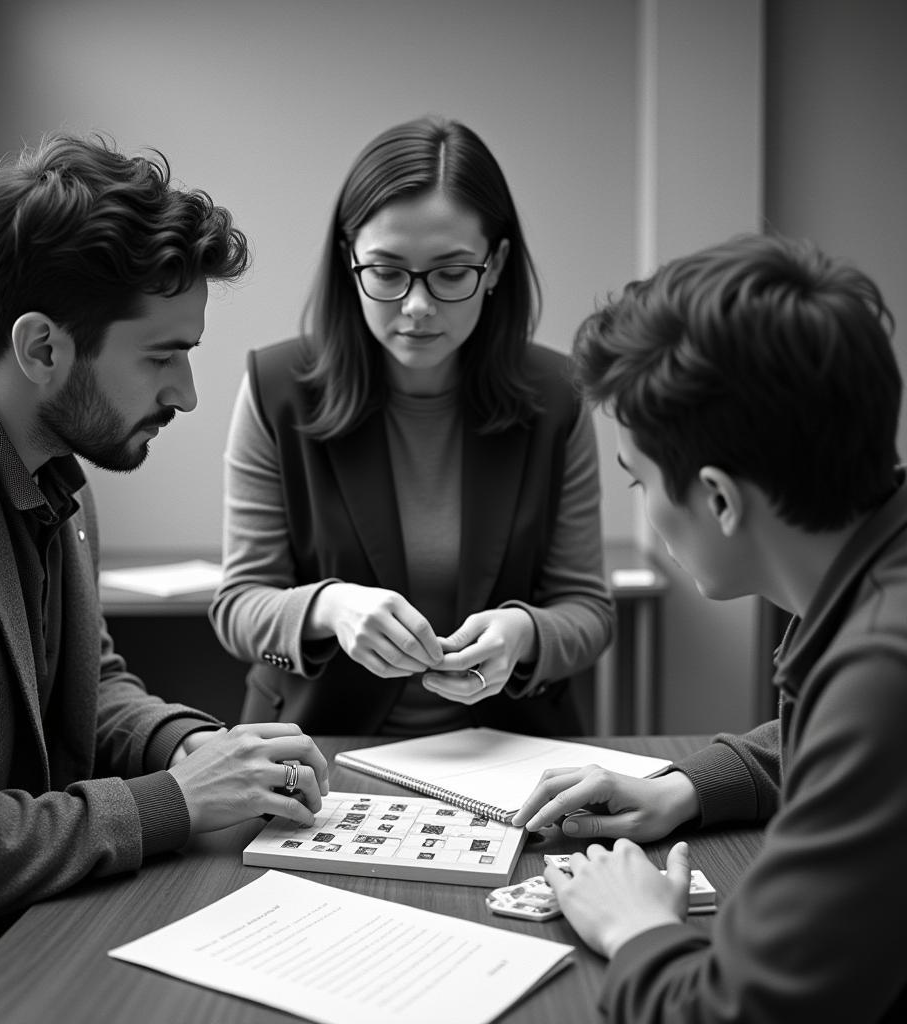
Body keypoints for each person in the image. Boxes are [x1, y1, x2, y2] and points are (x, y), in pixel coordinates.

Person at [0, 133, 328, 1022]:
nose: (190, 393)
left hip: (25, 927)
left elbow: (92, 681)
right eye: (162, 356)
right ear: (42, 347)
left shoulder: (50, 458)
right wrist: (169, 802)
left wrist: (188, 747)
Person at [511, 233, 907, 1022]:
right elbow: (830, 745)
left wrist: (635, 927)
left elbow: (736, 1012)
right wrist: (685, 788)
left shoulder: (883, 674)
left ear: (720, 500)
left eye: (640, 480)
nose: (645, 511)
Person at [209, 115, 614, 737]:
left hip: (510, 754)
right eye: (388, 272)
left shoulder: (556, 396)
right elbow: (238, 605)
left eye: (452, 274)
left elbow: (588, 610)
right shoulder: (277, 388)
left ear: (497, 265)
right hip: (320, 748)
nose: (417, 307)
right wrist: (330, 607)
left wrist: (525, 633)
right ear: (350, 262)